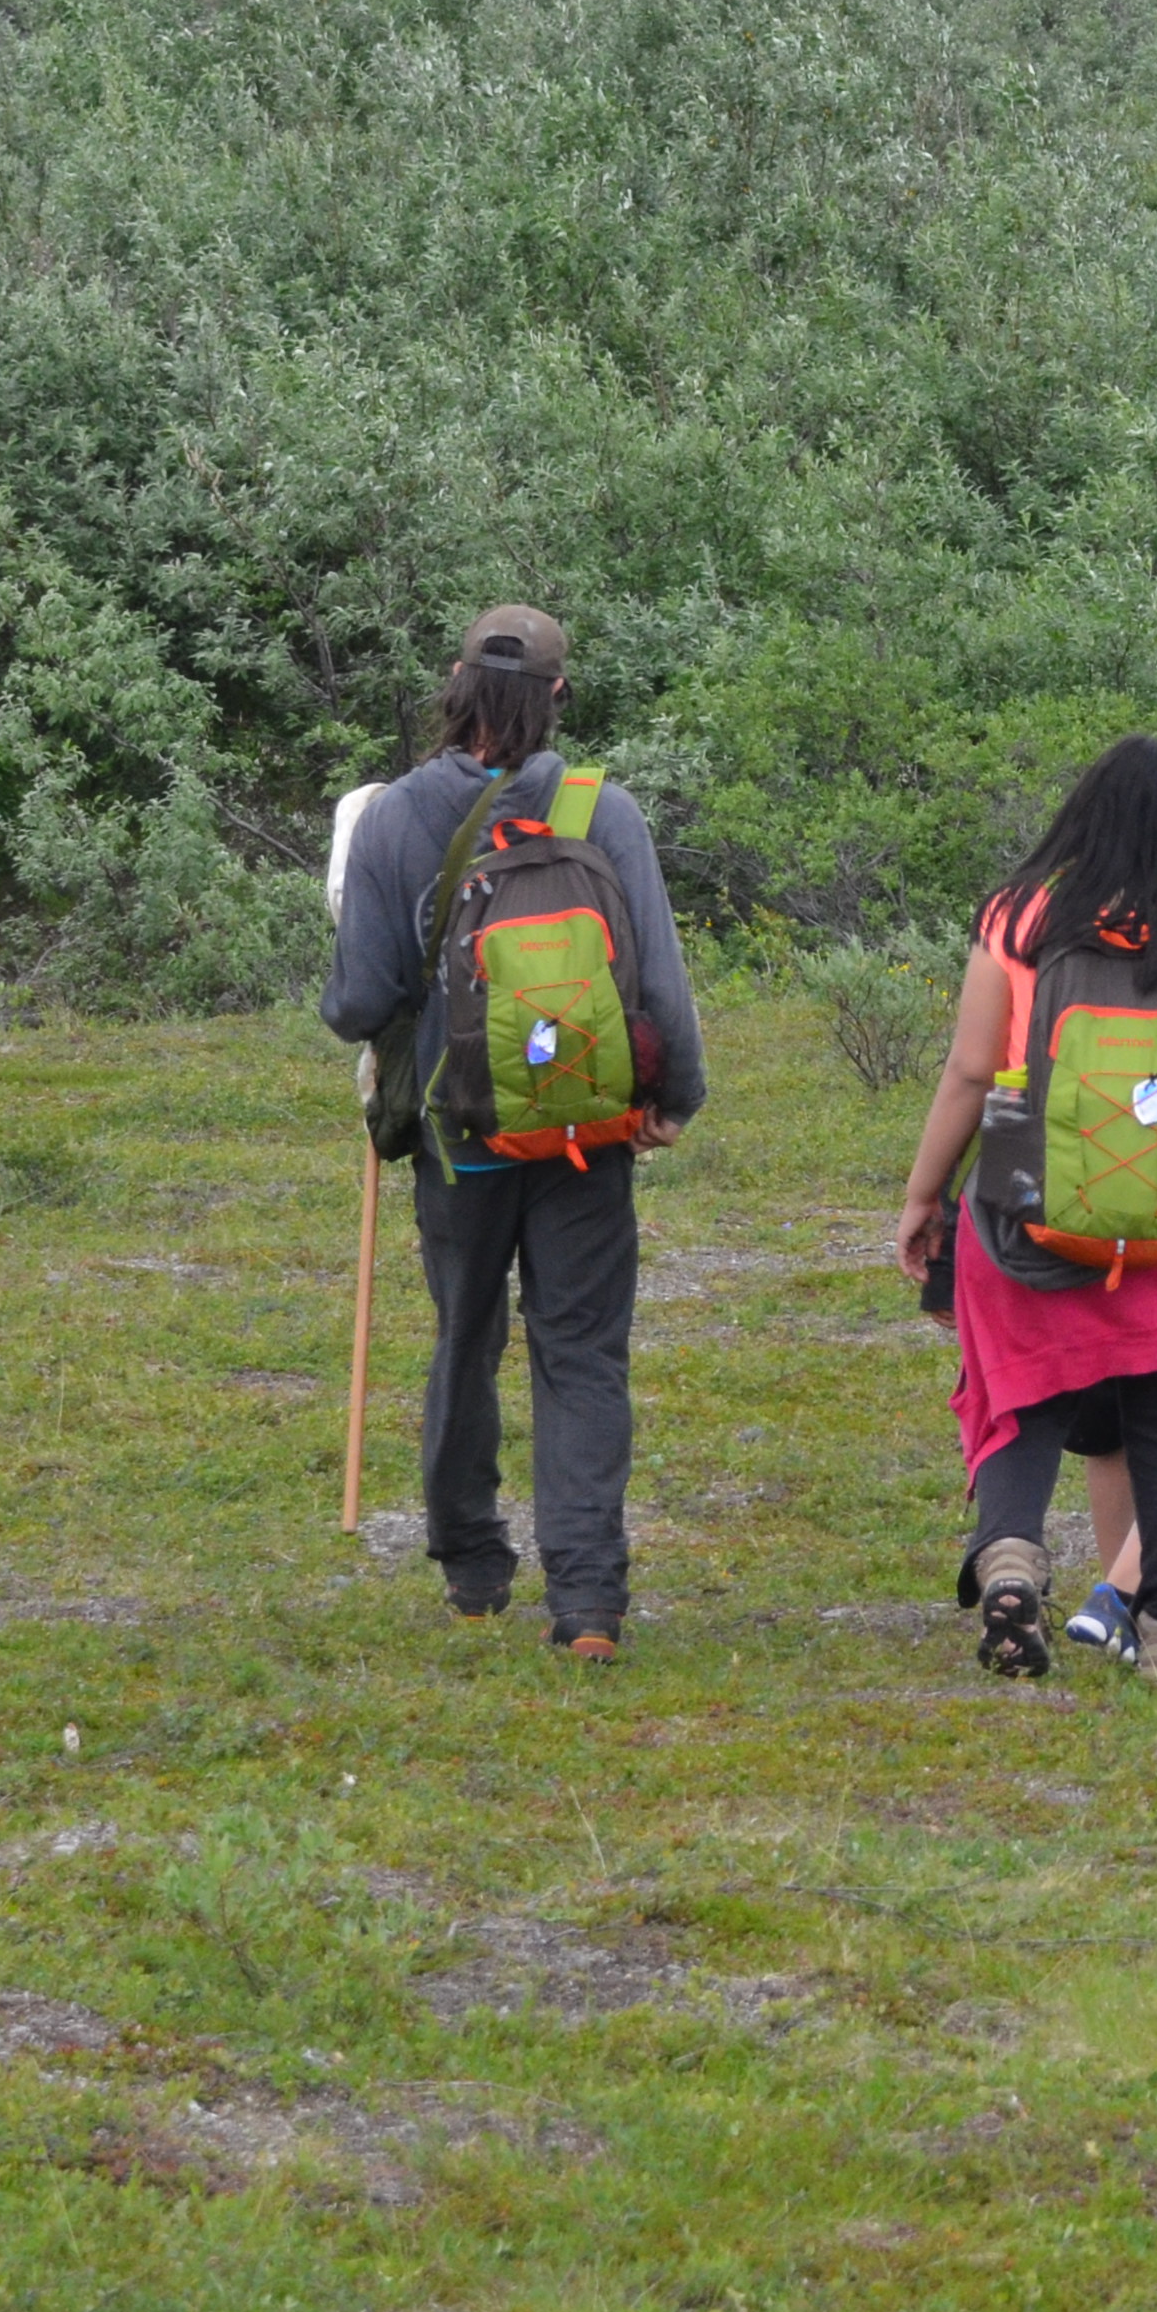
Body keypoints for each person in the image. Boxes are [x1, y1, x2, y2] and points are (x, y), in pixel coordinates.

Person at [324, 606, 709, 1661]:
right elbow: (662, 985)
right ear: (558, 696)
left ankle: (471, 1563)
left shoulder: (394, 816)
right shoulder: (602, 809)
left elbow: (359, 997)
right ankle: (586, 1602)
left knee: (465, 1335)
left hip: (462, 1136)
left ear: (453, 683)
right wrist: (676, 1098)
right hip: (586, 1133)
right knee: (581, 1352)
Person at [893, 735, 1157, 1689]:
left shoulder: (1018, 917)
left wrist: (923, 1195)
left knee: (1021, 1402)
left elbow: (972, 1071)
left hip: (1027, 1209)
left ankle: (1012, 1557)